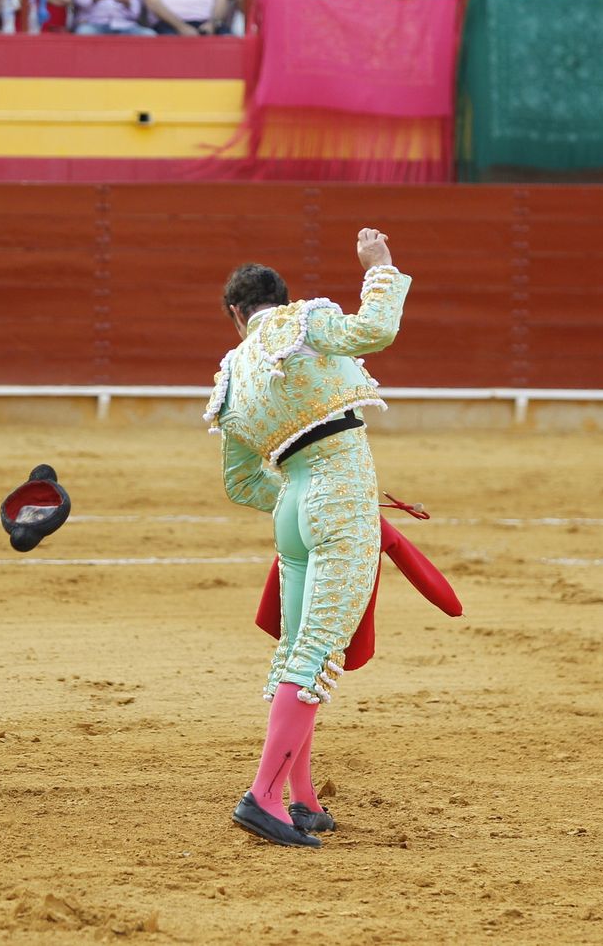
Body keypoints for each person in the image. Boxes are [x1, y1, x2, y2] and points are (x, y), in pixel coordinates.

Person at [204, 229, 411, 849]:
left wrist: (301, 498)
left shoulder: (233, 373)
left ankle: (302, 798)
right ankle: (263, 796)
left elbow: (242, 483)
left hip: (290, 507)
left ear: (236, 314)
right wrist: (381, 268)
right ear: (280, 300)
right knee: (317, 651)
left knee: (297, 647)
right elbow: (374, 332)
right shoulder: (302, 323)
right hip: (337, 490)